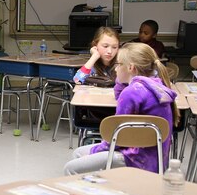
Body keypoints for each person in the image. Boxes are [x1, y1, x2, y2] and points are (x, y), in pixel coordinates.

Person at [63, 43, 176, 175]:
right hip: (154, 159)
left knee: (70, 168)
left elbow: (116, 138)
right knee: (79, 153)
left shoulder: (131, 92)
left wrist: (96, 150)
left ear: (130, 67)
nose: (115, 69)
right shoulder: (156, 86)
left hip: (134, 159)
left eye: (118, 64)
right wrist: (122, 80)